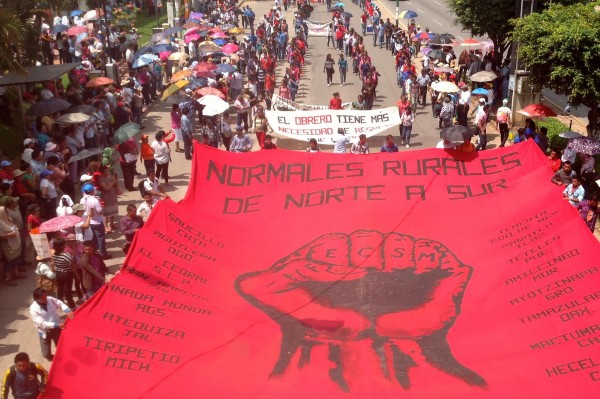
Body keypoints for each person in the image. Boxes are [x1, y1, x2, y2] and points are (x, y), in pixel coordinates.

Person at [29, 287, 73, 361]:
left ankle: (63, 359)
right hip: (46, 331)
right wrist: (56, 324)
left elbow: (60, 303)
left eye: (45, 295)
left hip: (57, 330)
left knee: (61, 347)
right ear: (36, 298)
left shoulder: (50, 299)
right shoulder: (33, 309)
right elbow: (41, 323)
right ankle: (53, 359)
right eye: (43, 297)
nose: (45, 298)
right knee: (45, 353)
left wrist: (67, 310)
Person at [80, 183, 110, 260]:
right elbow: (99, 211)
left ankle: (93, 253)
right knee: (100, 238)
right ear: (92, 191)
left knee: (93, 239)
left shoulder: (82, 199)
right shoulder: (95, 200)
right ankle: (103, 254)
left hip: (88, 221)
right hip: (97, 222)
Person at [0, 206, 24, 286]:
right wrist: (11, 234)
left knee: (15, 258)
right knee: (9, 261)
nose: (7, 213)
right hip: (6, 245)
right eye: (5, 211)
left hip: (14, 242)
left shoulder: (8, 219)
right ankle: (8, 278)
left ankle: (16, 273)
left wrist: (16, 229)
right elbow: (1, 236)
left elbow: (14, 225)